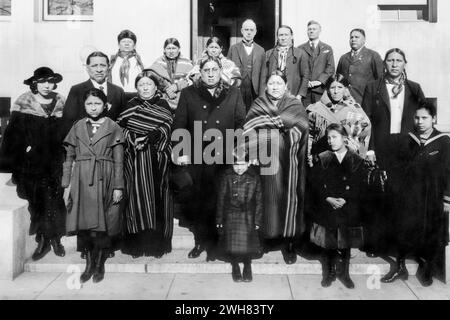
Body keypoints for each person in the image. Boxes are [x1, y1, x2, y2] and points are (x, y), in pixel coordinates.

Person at [173, 56, 246, 261]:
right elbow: (179, 124)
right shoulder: (189, 93)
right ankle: (201, 242)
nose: (211, 73)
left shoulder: (233, 93)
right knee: (200, 200)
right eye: (207, 70)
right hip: (198, 155)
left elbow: (241, 122)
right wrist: (181, 151)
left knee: (223, 199)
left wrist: (238, 150)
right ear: (200, 72)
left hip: (225, 154)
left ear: (221, 71)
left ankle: (219, 244)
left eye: (215, 69)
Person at [361, 48, 426, 257]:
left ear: (405, 63)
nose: (394, 64)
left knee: (403, 197)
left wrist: (420, 144)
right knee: (380, 195)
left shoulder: (414, 89)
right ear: (384, 64)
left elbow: (423, 117)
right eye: (390, 60)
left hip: (407, 149)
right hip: (381, 146)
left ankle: (401, 246)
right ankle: (376, 243)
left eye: (399, 60)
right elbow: (365, 120)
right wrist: (369, 149)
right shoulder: (373, 87)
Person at [0, 67, 67, 261]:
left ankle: (54, 239)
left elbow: (66, 132)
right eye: (43, 81)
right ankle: (44, 239)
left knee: (55, 199)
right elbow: (12, 136)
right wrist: (15, 161)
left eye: (51, 81)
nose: (47, 85)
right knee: (38, 201)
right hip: (31, 163)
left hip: (55, 162)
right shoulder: (24, 102)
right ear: (34, 83)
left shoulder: (60, 101)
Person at [244, 70, 309, 265]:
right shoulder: (258, 104)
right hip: (265, 162)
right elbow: (249, 128)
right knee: (266, 198)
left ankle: (288, 243)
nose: (274, 87)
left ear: (286, 86)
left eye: (279, 83)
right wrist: (275, 133)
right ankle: (265, 240)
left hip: (290, 161)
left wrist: (271, 132)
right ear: (266, 86)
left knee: (288, 200)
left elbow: (301, 127)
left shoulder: (295, 104)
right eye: (271, 83)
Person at [381, 103, 449, 286]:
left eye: (424, 118)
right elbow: (396, 167)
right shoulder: (407, 140)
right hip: (409, 195)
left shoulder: (444, 142)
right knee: (403, 229)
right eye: (417, 118)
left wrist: (447, 198)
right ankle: (400, 267)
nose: (420, 122)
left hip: (432, 196)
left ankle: (427, 267)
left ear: (433, 119)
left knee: (430, 231)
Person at [62, 88, 125, 284]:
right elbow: (69, 158)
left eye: (97, 103)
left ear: (105, 105)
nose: (93, 107)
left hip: (104, 177)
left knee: (101, 224)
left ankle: (99, 263)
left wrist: (118, 186)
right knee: (83, 224)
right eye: (89, 103)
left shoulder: (113, 126)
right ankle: (88, 263)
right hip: (81, 178)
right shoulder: (77, 126)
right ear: (84, 105)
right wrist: (66, 185)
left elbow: (119, 161)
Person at [118, 70, 174, 258]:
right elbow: (121, 129)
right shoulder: (130, 105)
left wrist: (151, 137)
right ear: (136, 88)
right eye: (141, 85)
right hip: (134, 159)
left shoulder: (163, 104)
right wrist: (133, 139)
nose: (145, 87)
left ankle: (156, 245)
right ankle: (136, 245)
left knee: (157, 199)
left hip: (156, 157)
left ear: (156, 87)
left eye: (148, 84)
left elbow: (168, 126)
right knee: (135, 202)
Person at [309, 123, 367, 289]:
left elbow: (358, 185)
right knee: (330, 241)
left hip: (347, 206)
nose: (331, 141)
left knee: (346, 241)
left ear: (344, 138)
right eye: (329, 137)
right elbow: (315, 182)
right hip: (328, 206)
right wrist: (327, 197)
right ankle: (330, 272)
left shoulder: (355, 160)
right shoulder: (323, 158)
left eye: (334, 137)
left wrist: (346, 199)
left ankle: (345, 273)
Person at [307, 74, 371, 163]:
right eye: (332, 88)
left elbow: (365, 132)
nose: (336, 91)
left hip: (347, 158)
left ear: (345, 89)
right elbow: (309, 135)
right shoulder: (316, 109)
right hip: (322, 157)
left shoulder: (354, 109)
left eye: (340, 87)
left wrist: (352, 145)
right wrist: (309, 157)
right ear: (327, 90)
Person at [216, 160, 263, 282]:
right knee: (233, 245)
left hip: (248, 215)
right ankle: (235, 265)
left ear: (248, 164)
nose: (239, 168)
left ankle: (247, 265)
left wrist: (257, 220)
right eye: (235, 164)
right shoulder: (227, 176)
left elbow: (259, 201)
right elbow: (221, 199)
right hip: (231, 213)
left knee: (248, 244)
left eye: (242, 164)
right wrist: (219, 219)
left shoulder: (254, 177)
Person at [62, 51, 126, 136]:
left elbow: (124, 121)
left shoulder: (118, 91)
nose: (99, 70)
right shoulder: (77, 90)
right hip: (85, 143)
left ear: (109, 67)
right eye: (94, 66)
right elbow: (68, 122)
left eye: (103, 65)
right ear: (87, 68)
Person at [260, 25, 309, 101]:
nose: (283, 38)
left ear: (291, 36)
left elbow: (305, 76)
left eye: (286, 35)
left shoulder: (300, 54)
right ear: (277, 37)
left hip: (293, 95)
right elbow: (263, 77)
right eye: (281, 35)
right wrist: (264, 95)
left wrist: (300, 95)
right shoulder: (269, 54)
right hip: (272, 96)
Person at [336, 29, 383, 105]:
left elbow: (380, 81)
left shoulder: (373, 55)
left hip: (365, 102)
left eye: (357, 37)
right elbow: (337, 81)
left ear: (364, 40)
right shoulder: (343, 58)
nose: (353, 39)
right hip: (345, 102)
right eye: (351, 37)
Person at [227, 19, 266, 110]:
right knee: (238, 112)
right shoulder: (233, 48)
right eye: (246, 29)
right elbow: (227, 71)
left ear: (255, 32)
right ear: (242, 31)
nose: (249, 32)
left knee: (252, 113)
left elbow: (263, 74)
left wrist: (261, 94)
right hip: (237, 87)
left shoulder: (261, 50)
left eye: (251, 30)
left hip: (254, 89)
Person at [148, 38, 194, 111]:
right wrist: (167, 88)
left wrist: (177, 86)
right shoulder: (158, 63)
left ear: (179, 49)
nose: (171, 51)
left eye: (174, 48)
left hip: (183, 98)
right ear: (164, 50)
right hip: (163, 99)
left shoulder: (187, 63)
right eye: (168, 48)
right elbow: (152, 77)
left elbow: (192, 80)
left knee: (195, 120)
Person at [298, 20, 335, 107]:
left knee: (320, 116)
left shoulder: (327, 48)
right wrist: (305, 82)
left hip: (321, 91)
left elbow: (330, 68)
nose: (311, 31)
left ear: (320, 31)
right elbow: (297, 69)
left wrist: (319, 81)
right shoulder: (300, 48)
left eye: (314, 29)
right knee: (305, 116)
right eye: (309, 29)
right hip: (304, 91)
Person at [109, 30, 145, 101]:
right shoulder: (111, 60)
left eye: (129, 42)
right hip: (116, 96)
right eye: (123, 41)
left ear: (134, 45)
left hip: (136, 96)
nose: (126, 44)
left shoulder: (141, 60)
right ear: (119, 44)